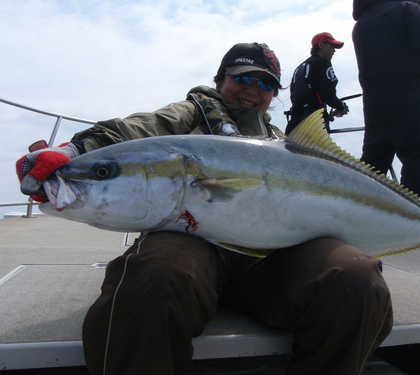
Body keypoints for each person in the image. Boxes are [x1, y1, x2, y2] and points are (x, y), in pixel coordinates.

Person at [16, 42, 393, 375]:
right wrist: (70, 153)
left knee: (357, 279)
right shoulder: (188, 115)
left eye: (266, 84)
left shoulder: (282, 143)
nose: (252, 90)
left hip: (269, 257)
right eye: (242, 78)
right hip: (192, 241)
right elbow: (135, 129)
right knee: (157, 275)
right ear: (220, 80)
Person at [352, 0, 420, 203]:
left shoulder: (360, 26)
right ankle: (418, 232)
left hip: (375, 114)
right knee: (417, 178)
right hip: (412, 108)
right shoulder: (406, 9)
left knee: (369, 177)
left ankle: (357, 226)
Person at [285, 32, 350, 135]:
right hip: (314, 122)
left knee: (296, 151)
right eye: (332, 46)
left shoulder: (299, 68)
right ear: (321, 45)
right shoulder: (323, 62)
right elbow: (328, 94)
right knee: (315, 151)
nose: (334, 50)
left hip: (294, 122)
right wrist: (341, 106)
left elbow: (293, 95)